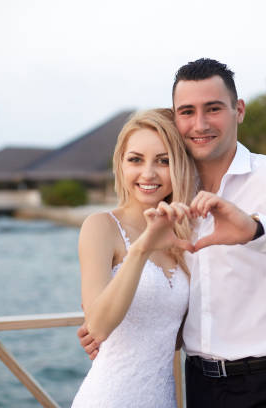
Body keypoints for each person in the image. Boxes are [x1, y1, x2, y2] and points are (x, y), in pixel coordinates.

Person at [79, 59, 266, 407]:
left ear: (239, 110)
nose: (199, 124)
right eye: (187, 111)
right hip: (197, 386)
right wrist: (120, 333)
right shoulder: (176, 201)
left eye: (213, 109)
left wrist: (258, 231)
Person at [71, 109, 197, 407]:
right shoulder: (100, 226)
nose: (148, 173)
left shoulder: (182, 233)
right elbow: (98, 327)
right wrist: (141, 248)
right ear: (121, 164)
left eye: (163, 161)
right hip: (109, 398)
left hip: (161, 397)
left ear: (179, 166)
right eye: (136, 159)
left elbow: (174, 335)